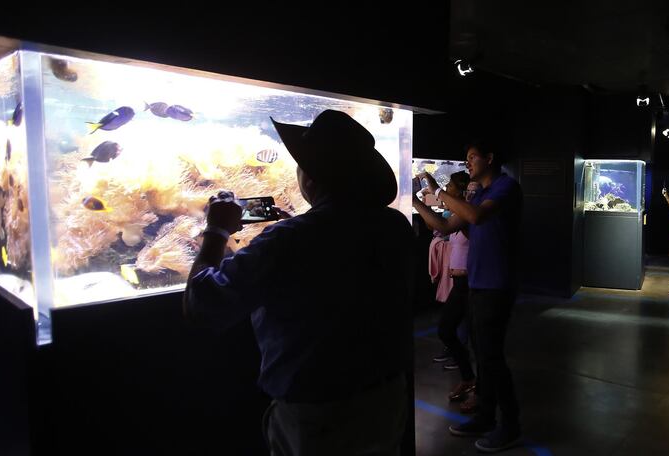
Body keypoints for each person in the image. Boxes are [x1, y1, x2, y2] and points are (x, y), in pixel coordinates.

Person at [183, 110, 414, 456]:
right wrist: (297, 228)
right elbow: (342, 261)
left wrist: (216, 229)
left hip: (319, 418)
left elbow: (202, 306)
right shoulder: (395, 225)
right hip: (387, 399)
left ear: (311, 178)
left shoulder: (289, 240)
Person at [413, 140, 523, 453]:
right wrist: (415, 203)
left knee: (491, 357)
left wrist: (438, 192)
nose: (468, 163)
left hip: (496, 285)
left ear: (490, 158)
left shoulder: (506, 187)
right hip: (477, 284)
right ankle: (485, 417)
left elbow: (476, 217)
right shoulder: (479, 194)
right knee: (483, 356)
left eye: (473, 157)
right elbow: (445, 224)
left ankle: (510, 426)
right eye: (466, 158)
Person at [416, 171, 478, 410]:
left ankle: (478, 388)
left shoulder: (465, 214)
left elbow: (441, 225)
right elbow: (438, 222)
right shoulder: (458, 211)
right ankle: (469, 378)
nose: (447, 188)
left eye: (450, 185)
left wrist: (415, 202)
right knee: (447, 329)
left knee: (473, 337)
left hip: (470, 283)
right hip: (460, 283)